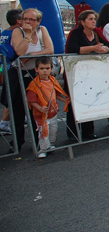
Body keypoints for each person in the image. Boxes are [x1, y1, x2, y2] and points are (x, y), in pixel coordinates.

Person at [9, 8, 54, 152]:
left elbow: (50, 50)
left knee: (39, 108)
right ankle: (17, 142)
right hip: (19, 74)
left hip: (36, 75)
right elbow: (20, 52)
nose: (27, 22)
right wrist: (27, 35)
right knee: (18, 110)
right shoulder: (18, 31)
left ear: (38, 21)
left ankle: (40, 142)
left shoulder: (42, 30)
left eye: (31, 20)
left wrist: (33, 54)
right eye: (24, 19)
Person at [65, 10, 109, 140]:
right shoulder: (75, 33)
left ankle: (88, 132)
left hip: (91, 72)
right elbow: (72, 49)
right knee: (73, 102)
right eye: (90, 19)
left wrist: (104, 49)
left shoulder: (96, 33)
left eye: (94, 19)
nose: (93, 21)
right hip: (76, 71)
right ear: (82, 22)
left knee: (90, 99)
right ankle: (73, 133)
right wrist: (92, 48)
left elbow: (108, 45)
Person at [25, 57, 71, 158]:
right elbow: (31, 100)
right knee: (43, 132)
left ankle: (50, 145)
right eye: (42, 68)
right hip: (41, 114)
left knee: (53, 130)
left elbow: (57, 94)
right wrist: (40, 108)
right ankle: (43, 149)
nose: (44, 71)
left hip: (53, 112)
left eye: (47, 68)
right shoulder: (34, 84)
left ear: (51, 69)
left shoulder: (53, 81)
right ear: (36, 69)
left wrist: (66, 100)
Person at [0, 9, 22, 135]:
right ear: (18, 20)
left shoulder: (4, 31)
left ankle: (18, 118)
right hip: (12, 68)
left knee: (13, 96)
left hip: (6, 67)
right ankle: (4, 123)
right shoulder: (15, 32)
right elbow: (14, 52)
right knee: (12, 97)